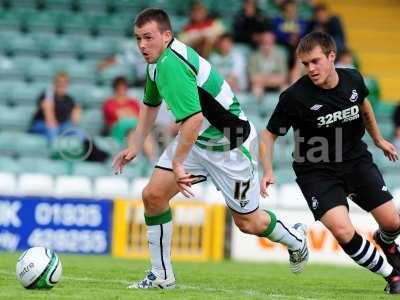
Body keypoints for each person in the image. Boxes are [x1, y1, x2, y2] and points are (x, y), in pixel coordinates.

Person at [113, 8, 309, 290]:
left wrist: (178, 163)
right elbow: (150, 104)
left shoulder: (171, 63)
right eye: (138, 39)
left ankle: (296, 240)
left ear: (166, 36)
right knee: (153, 195)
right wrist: (135, 144)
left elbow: (193, 120)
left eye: (148, 38)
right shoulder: (157, 62)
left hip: (230, 147)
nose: (142, 45)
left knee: (248, 222)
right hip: (197, 143)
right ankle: (162, 274)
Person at [259, 31, 400, 294]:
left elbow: (364, 106)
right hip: (316, 170)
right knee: (343, 230)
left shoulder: (354, 79)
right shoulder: (294, 96)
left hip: (355, 160)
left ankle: (387, 242)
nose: (310, 69)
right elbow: (268, 135)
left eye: (315, 61)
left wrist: (379, 139)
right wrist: (267, 169)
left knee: (392, 222)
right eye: (305, 64)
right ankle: (392, 276)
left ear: (331, 56)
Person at [102, 76, 157, 161]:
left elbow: (138, 117)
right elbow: (118, 117)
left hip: (135, 130)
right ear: (115, 89)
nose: (122, 90)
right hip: (117, 132)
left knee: (139, 133)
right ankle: (133, 158)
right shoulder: (109, 103)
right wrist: (128, 113)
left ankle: (152, 159)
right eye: (119, 88)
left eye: (124, 88)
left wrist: (125, 113)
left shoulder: (133, 103)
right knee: (133, 132)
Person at [29, 72, 81, 142]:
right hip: (43, 124)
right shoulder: (47, 95)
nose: (61, 84)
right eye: (59, 82)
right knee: (53, 132)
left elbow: (74, 119)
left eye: (64, 82)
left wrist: (76, 112)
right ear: (54, 83)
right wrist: (54, 127)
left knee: (78, 134)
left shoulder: (69, 99)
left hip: (61, 126)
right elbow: (48, 115)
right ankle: (56, 149)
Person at [248, 31, 288, 99]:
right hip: (260, 85)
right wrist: (271, 79)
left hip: (277, 85)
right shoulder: (254, 56)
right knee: (256, 89)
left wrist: (265, 79)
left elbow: (283, 77)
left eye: (270, 42)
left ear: (273, 42)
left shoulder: (280, 54)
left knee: (286, 88)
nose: (267, 45)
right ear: (260, 43)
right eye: (264, 42)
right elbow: (253, 78)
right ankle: (260, 109)